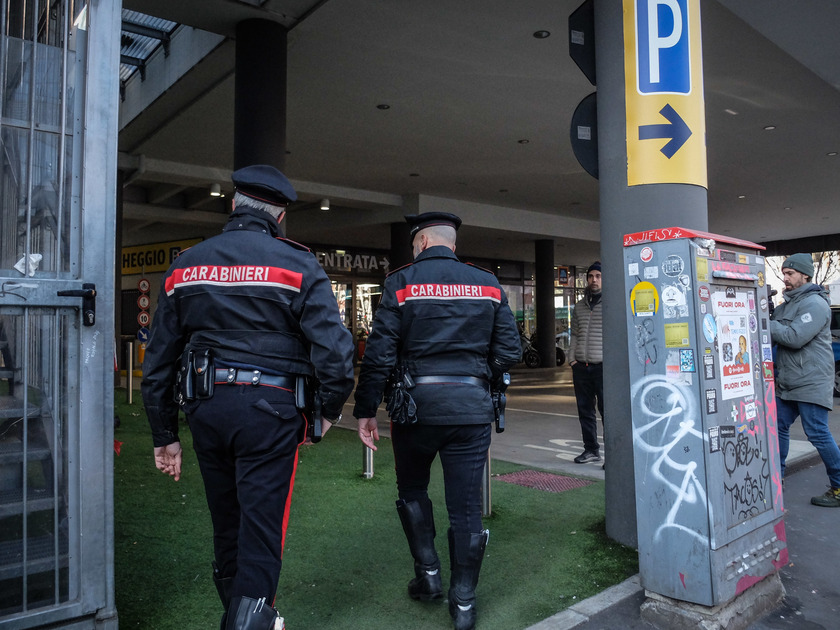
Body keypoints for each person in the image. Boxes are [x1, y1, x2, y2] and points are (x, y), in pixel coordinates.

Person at [141, 164, 355, 629]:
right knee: (260, 535)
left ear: (233, 205)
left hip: (206, 411)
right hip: (272, 414)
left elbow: (158, 360)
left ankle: (242, 616)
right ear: (279, 217)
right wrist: (326, 413)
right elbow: (336, 356)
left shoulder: (186, 265)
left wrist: (164, 434)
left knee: (228, 527)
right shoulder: (297, 264)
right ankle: (250, 620)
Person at [353, 212, 521, 630]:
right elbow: (510, 352)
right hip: (471, 408)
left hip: (415, 409)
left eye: (414, 245)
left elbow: (379, 355)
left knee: (412, 488)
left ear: (423, 242)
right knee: (465, 508)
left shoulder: (401, 282)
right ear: (451, 243)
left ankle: (428, 577)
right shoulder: (487, 283)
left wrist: (365, 409)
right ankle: (463, 603)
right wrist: (480, 375)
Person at [770, 252, 840, 507]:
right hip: (788, 380)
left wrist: (765, 323)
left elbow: (794, 337)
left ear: (805, 275)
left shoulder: (815, 304)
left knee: (817, 432)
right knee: (777, 425)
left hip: (810, 380)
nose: (785, 278)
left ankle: (839, 486)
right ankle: (776, 479)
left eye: (790, 274)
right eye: (784, 273)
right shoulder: (786, 305)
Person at [568, 261, 604, 465]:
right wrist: (572, 358)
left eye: (598, 276)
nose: (594, 280)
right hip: (581, 367)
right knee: (585, 411)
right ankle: (591, 450)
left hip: (602, 367)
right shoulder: (580, 306)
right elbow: (574, 334)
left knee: (607, 413)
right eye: (591, 276)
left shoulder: (610, 305)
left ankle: (614, 455)